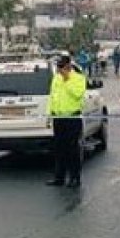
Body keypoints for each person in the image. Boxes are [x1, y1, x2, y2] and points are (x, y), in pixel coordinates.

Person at [47, 55, 87, 189]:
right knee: (59, 148)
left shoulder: (79, 78)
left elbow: (77, 94)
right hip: (58, 118)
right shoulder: (56, 78)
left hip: (72, 117)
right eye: (58, 67)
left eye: (62, 66)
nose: (60, 69)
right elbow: (53, 96)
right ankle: (59, 177)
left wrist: (67, 79)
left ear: (69, 66)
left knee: (72, 149)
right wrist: (50, 113)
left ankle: (75, 177)